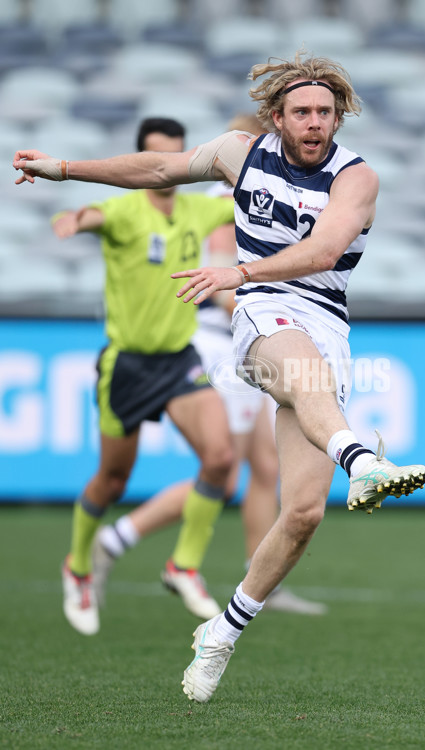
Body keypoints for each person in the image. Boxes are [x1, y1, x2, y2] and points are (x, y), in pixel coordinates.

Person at [14, 50, 425, 700]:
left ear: (339, 116)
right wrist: (65, 169)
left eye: (325, 111)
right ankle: (360, 456)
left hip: (321, 320)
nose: (315, 122)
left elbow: (322, 251)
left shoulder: (357, 179)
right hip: (263, 312)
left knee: (302, 514)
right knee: (295, 373)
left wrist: (235, 271)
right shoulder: (241, 152)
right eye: (302, 112)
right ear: (276, 117)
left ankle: (222, 631)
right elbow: (157, 168)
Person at [93, 115, 328, 617]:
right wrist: (266, 306)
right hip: (228, 345)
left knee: (264, 466)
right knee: (221, 469)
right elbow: (222, 282)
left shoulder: (255, 195)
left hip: (253, 340)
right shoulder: (233, 199)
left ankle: (260, 575)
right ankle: (117, 538)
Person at [47, 117, 237, 635]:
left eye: (177, 157)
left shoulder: (199, 208)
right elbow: (88, 214)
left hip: (179, 359)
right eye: (158, 158)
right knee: (113, 481)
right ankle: (79, 566)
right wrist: (73, 219)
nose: (168, 170)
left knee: (221, 458)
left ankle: (183, 565)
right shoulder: (124, 209)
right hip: (127, 365)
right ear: (141, 161)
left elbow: (249, 199)